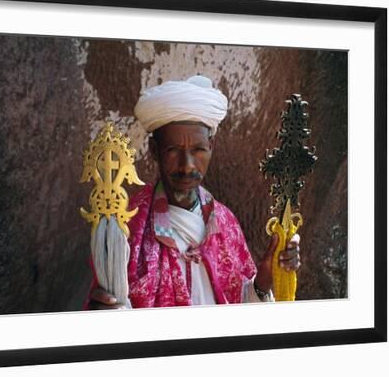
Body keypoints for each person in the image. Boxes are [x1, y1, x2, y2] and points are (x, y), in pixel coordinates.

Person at [86, 75, 300, 310]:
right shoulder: (128, 226)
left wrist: (264, 280)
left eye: (198, 150)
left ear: (211, 147)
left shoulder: (225, 222)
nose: (187, 165)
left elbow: (239, 308)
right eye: (173, 150)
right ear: (154, 151)